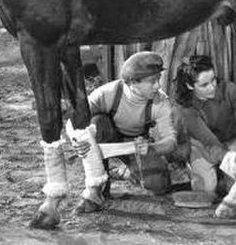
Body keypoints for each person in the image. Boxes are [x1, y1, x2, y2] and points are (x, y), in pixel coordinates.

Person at [71, 51, 178, 213]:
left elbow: (171, 141)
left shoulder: (160, 101)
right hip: (108, 137)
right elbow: (75, 120)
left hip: (137, 143)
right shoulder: (106, 94)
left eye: (158, 79)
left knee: (159, 185)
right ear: (133, 83)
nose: (158, 86)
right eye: (152, 81)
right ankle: (97, 188)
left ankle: (128, 172)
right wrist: (77, 141)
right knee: (97, 122)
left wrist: (152, 148)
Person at [173, 55, 236, 218]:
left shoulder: (229, 89)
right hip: (205, 147)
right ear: (189, 85)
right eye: (204, 85)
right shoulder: (186, 109)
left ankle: (228, 190)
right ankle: (198, 169)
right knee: (206, 190)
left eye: (213, 80)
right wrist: (235, 164)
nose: (212, 87)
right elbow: (211, 143)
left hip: (233, 140)